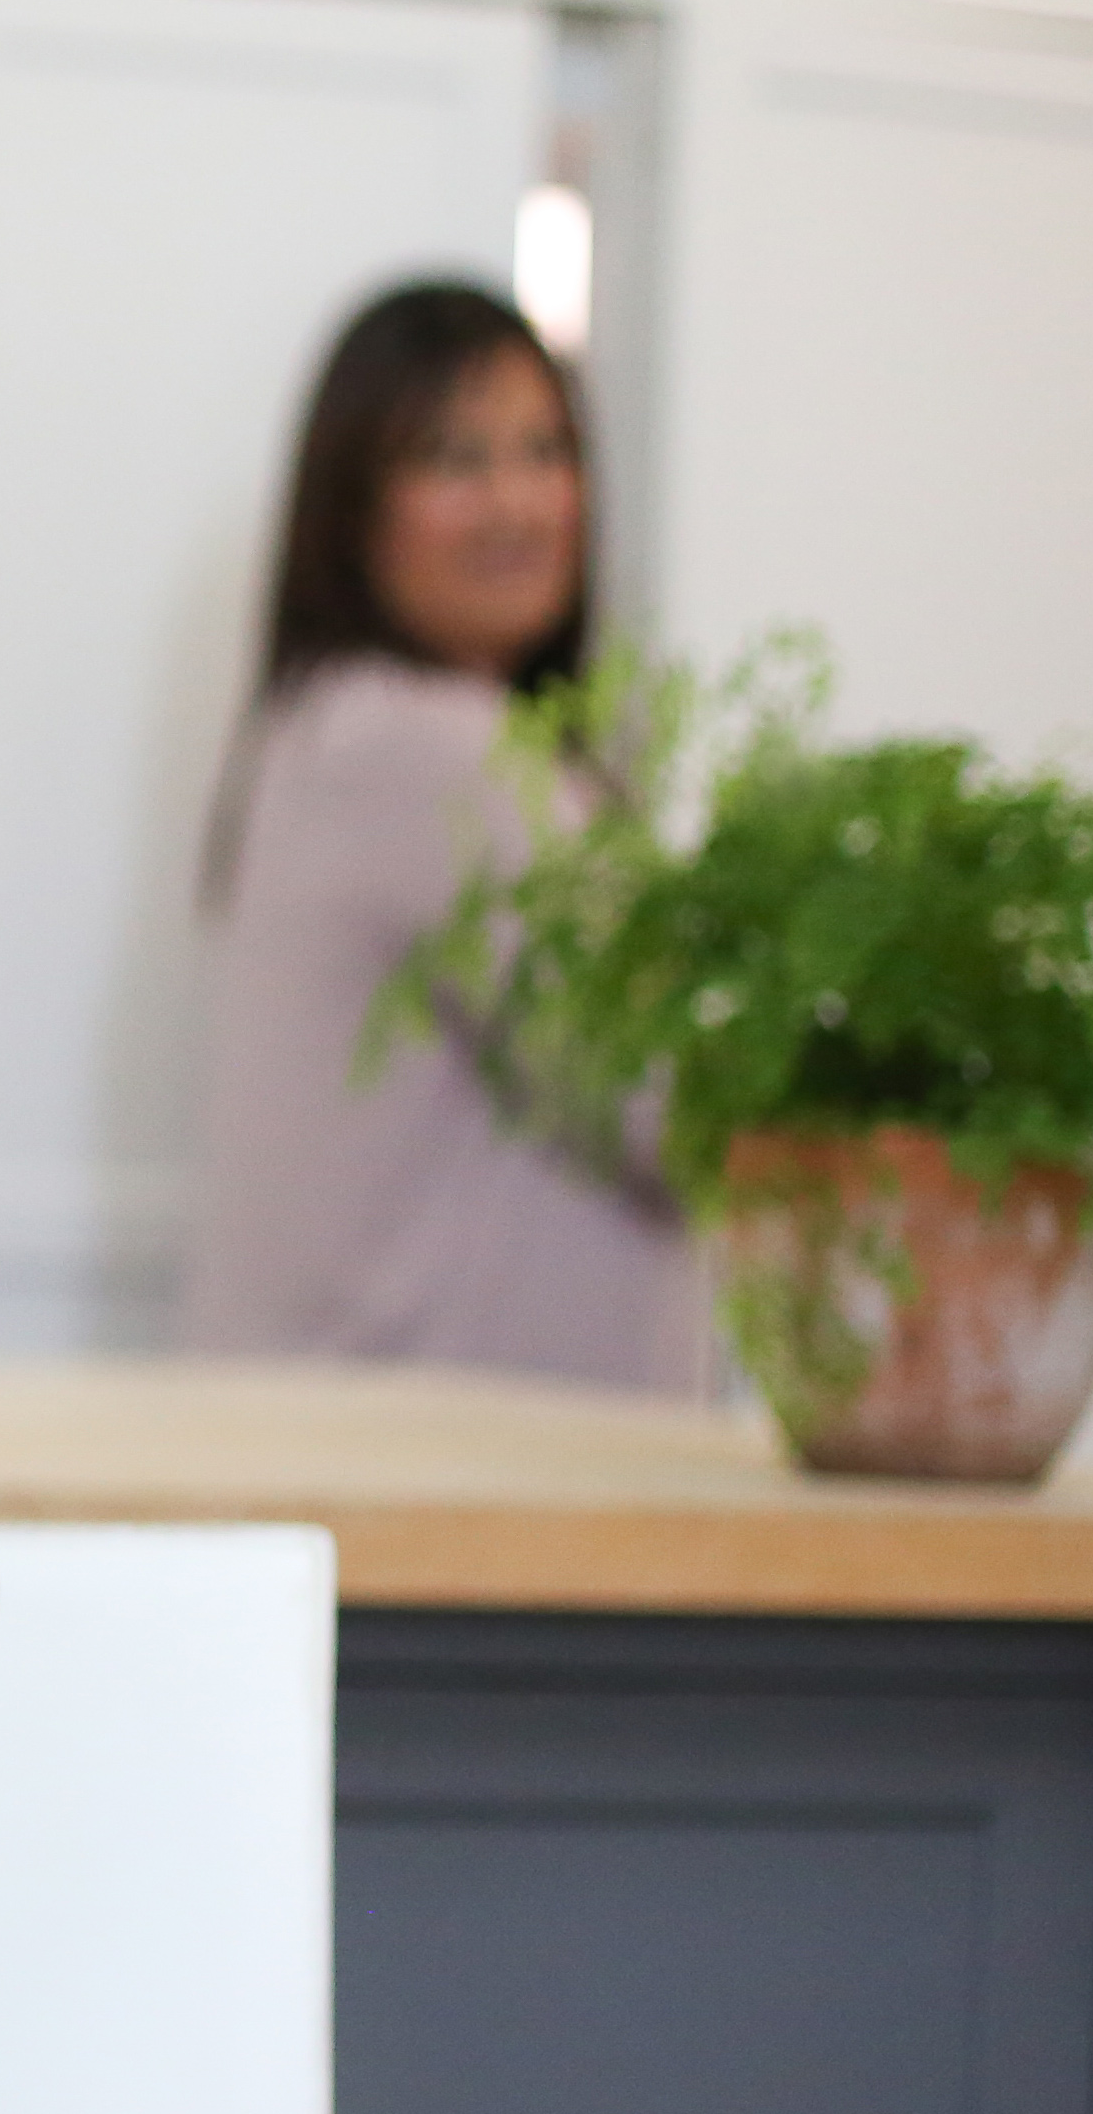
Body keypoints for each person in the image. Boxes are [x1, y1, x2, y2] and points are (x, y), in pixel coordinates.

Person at [174, 278, 702, 1389]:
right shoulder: (431, 752)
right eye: (457, 460)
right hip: (447, 1476)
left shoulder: (334, 728)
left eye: (547, 451)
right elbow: (679, 1098)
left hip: (390, 1461)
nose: (520, 502)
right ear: (353, 506)